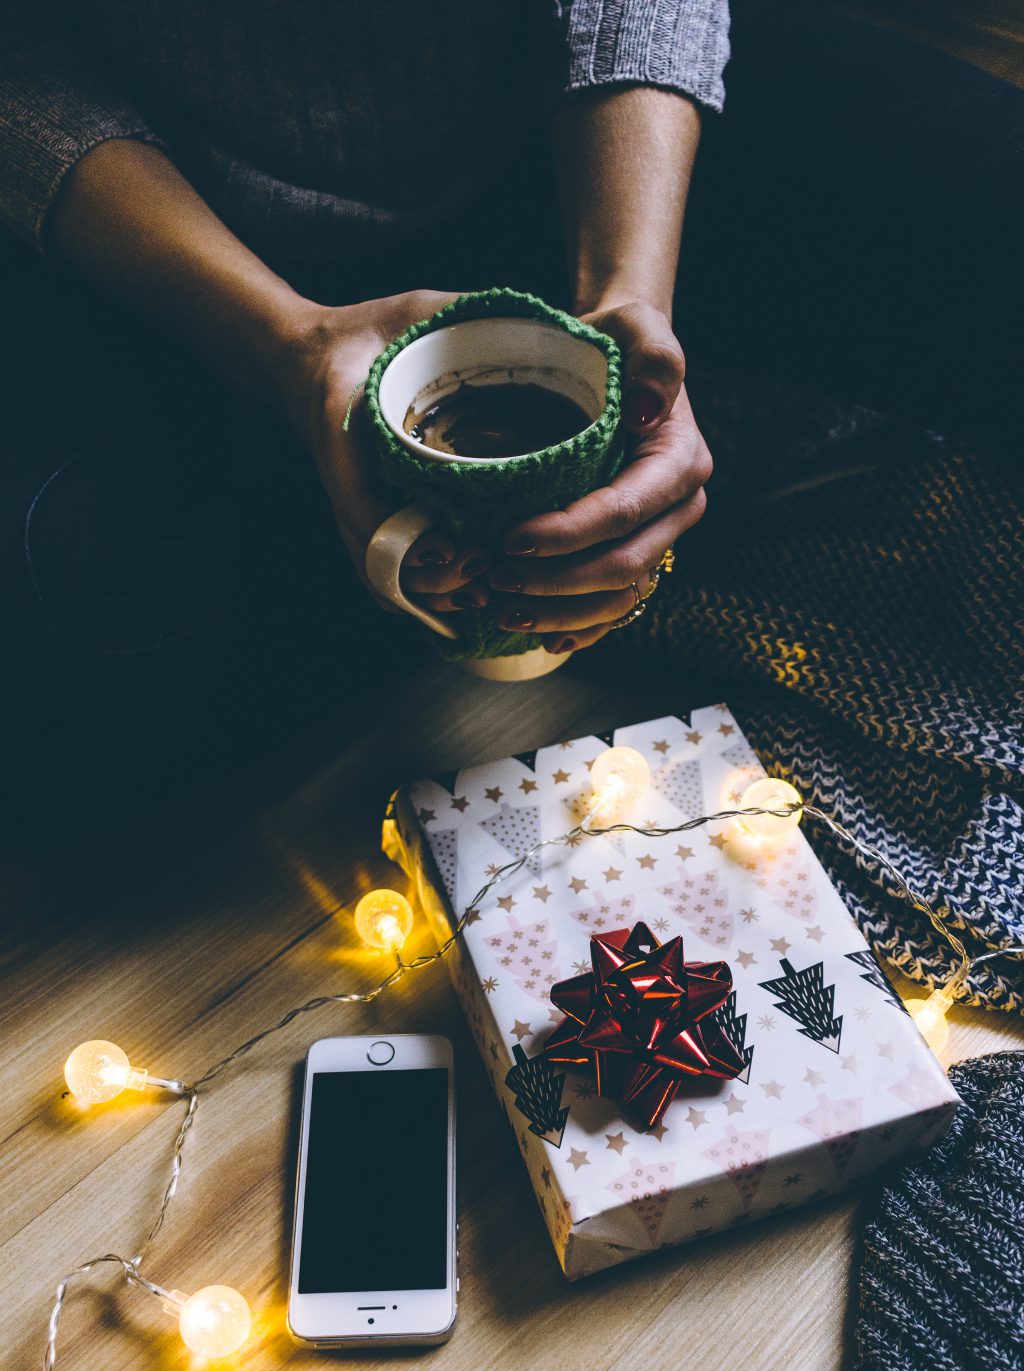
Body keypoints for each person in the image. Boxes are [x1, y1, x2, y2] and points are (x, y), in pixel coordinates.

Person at [2, 3, 1022, 1013]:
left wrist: (633, 294)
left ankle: (439, 533)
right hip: (162, 221)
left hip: (587, 121)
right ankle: (659, 483)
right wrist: (284, 347)